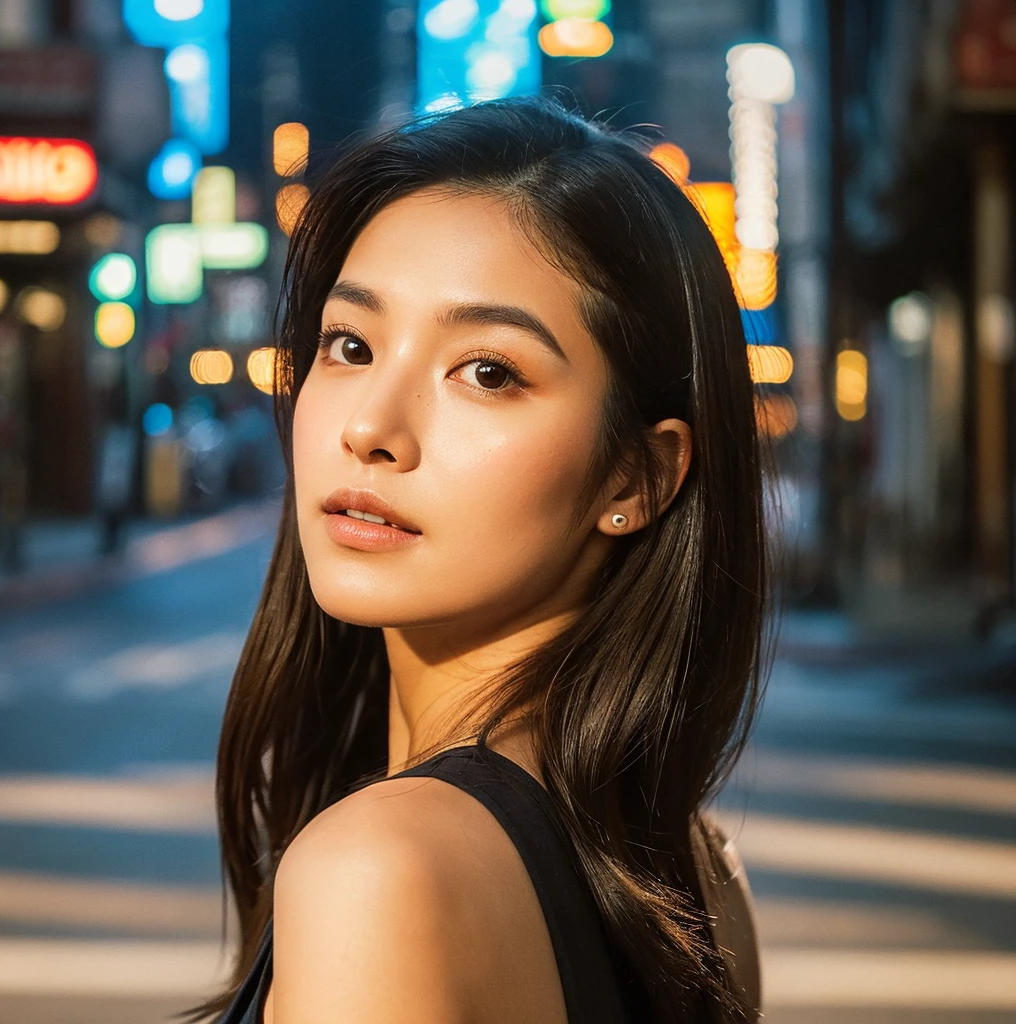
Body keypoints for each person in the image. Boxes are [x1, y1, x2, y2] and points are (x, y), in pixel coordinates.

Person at [192, 94, 771, 1024]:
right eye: (350, 344)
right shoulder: (693, 873)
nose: (372, 428)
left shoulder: (383, 872)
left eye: (488, 372)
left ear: (639, 475)